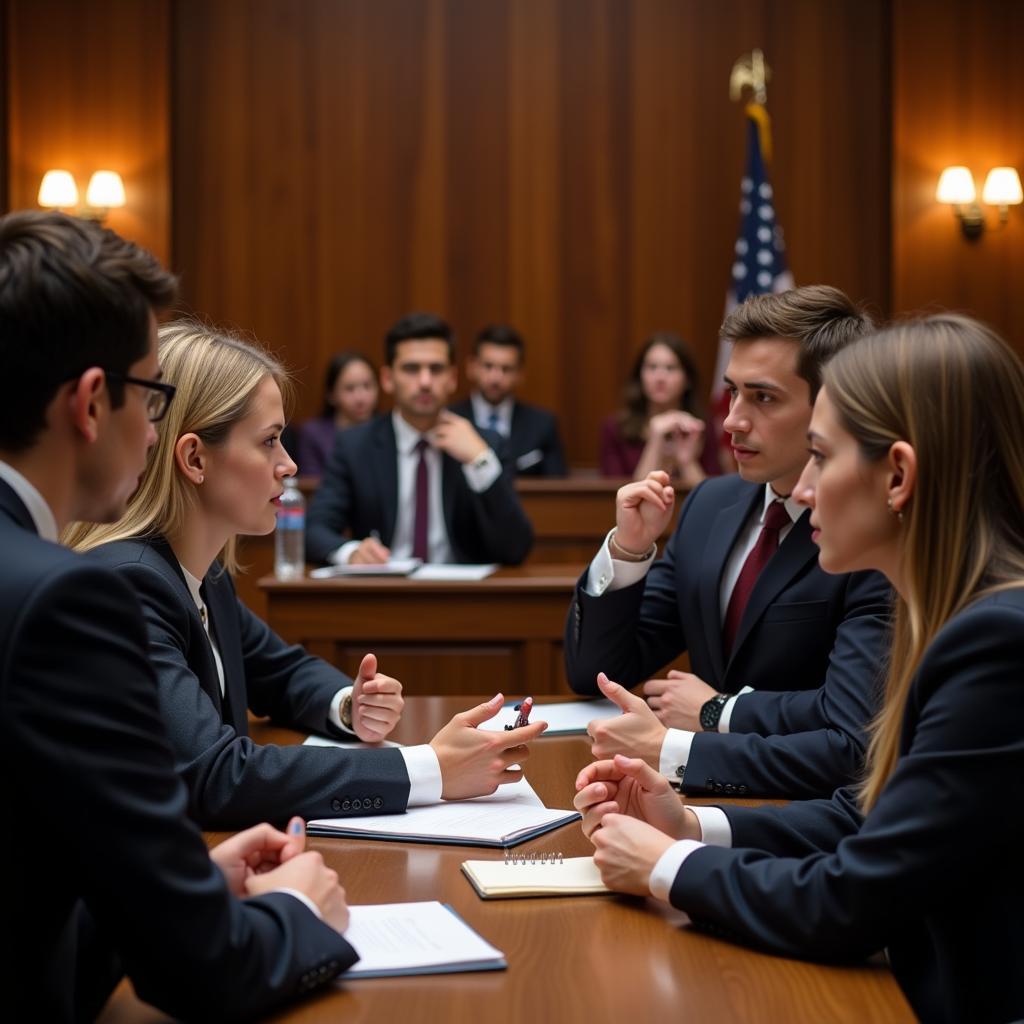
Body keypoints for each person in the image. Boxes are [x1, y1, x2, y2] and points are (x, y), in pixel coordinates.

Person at [574, 314, 1024, 1024]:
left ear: (898, 475)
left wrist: (664, 868)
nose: (803, 488)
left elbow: (854, 901)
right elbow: (864, 817)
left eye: (821, 455)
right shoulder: (953, 612)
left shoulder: (996, 643)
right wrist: (686, 824)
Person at [0, 210, 355, 1020]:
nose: (154, 429)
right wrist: (295, 910)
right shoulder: (70, 598)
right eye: (152, 396)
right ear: (93, 403)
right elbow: (201, 971)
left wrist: (177, 885)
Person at [70, 321, 547, 830]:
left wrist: (349, 705)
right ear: (194, 458)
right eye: (270, 442)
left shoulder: (202, 573)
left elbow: (280, 670)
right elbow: (215, 774)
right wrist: (430, 768)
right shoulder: (132, 585)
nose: (290, 465)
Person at [567, 286, 892, 799]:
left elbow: (853, 739)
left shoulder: (874, 534)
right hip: (686, 800)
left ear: (837, 404)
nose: (732, 420)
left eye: (762, 397)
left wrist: (716, 711)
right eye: (732, 392)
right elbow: (597, 674)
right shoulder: (710, 504)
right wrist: (627, 553)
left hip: (807, 816)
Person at [306, 311, 534, 566]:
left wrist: (480, 462)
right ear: (388, 379)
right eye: (411, 369)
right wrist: (351, 552)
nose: (425, 382)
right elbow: (315, 530)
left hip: (461, 598)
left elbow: (516, 548)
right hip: (381, 595)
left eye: (436, 369)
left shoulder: (486, 444)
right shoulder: (355, 445)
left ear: (452, 379)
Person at [599, 331, 718, 484]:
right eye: (652, 367)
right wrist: (655, 441)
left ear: (687, 379)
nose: (660, 377)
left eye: (670, 368)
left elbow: (712, 500)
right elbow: (617, 499)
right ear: (640, 376)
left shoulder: (701, 427)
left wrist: (686, 461)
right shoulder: (614, 428)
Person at [449, 323, 567, 476]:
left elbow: (557, 491)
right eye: (488, 366)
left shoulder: (543, 425)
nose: (496, 378)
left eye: (506, 369)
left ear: (520, 374)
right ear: (471, 367)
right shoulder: (450, 419)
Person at [296, 351, 378, 476]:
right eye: (350, 388)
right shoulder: (314, 433)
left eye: (367, 386)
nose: (361, 398)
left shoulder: (388, 429)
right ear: (331, 395)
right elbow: (310, 486)